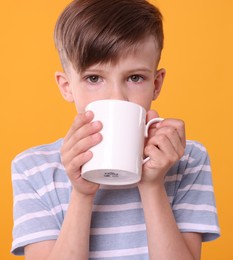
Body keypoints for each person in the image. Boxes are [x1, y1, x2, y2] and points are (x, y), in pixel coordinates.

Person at [11, 0, 220, 259]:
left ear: (156, 84)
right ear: (66, 86)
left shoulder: (187, 159)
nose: (116, 98)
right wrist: (81, 193)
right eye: (94, 78)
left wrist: (152, 185)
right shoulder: (32, 169)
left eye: (135, 78)